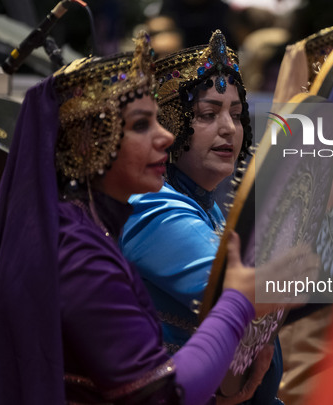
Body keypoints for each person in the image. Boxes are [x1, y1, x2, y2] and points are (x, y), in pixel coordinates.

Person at [0, 31, 314, 405]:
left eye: (234, 114)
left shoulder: (92, 228)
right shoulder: (82, 256)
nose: (166, 134)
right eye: (143, 125)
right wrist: (238, 305)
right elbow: (163, 395)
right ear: (92, 145)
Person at [120, 30, 284, 404]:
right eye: (208, 114)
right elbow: (248, 293)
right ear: (170, 127)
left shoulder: (203, 203)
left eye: (237, 115)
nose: (229, 128)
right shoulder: (151, 205)